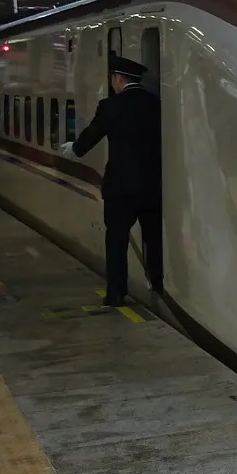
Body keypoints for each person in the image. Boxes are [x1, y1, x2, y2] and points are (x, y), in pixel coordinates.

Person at [59, 55, 161, 307]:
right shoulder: (155, 103)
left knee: (117, 239)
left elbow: (92, 134)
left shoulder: (111, 106)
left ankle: (116, 293)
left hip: (120, 186)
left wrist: (74, 149)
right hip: (151, 185)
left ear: (118, 79)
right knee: (153, 237)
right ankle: (157, 284)